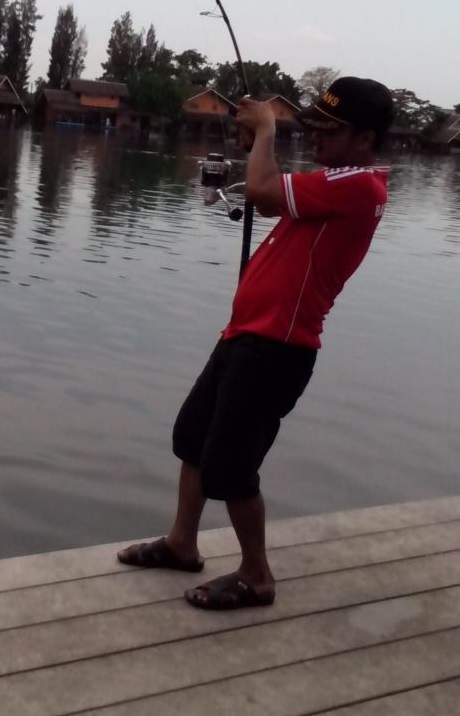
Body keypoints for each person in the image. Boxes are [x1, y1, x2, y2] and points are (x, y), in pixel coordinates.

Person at [118, 77, 395, 610]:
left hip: (277, 349)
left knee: (230, 466)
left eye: (329, 129)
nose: (316, 135)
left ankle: (257, 575)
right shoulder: (335, 180)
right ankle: (181, 543)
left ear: (365, 138)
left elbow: (265, 192)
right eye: (313, 124)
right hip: (247, 336)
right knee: (193, 436)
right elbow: (267, 201)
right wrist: (258, 148)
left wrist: (266, 128)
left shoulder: (361, 186)